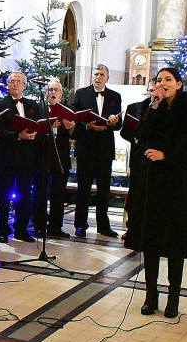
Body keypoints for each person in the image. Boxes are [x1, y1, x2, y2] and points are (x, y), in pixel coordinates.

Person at [124, 67, 187, 318]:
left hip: (179, 183)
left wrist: (166, 155)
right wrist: (153, 107)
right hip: (154, 181)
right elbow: (142, 136)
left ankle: (173, 298)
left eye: (168, 80)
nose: (162, 83)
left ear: (179, 84)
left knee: (174, 242)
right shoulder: (152, 106)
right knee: (152, 241)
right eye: (159, 80)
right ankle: (150, 296)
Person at [70, 64, 123, 238]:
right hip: (86, 148)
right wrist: (87, 125)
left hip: (105, 150)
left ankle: (103, 226)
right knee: (83, 190)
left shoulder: (115, 96)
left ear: (107, 78)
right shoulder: (81, 94)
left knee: (103, 190)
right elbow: (74, 119)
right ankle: (80, 225)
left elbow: (119, 125)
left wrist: (114, 121)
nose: (98, 77)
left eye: (102, 74)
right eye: (95, 74)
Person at [0, 72, 44, 243]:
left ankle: (21, 229)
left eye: (19, 82)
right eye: (12, 81)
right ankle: (2, 230)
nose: (15, 84)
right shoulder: (0, 104)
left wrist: (33, 135)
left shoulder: (32, 105)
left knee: (24, 194)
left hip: (27, 158)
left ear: (25, 85)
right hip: (7, 158)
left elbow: (39, 127)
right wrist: (17, 136)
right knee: (4, 195)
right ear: (7, 85)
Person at [121, 78, 159, 243]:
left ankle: (149, 230)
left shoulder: (166, 110)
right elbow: (124, 132)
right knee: (135, 193)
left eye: (156, 91)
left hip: (156, 160)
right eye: (151, 91)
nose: (153, 94)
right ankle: (132, 229)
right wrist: (135, 138)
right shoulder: (135, 107)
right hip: (138, 157)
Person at [42, 79, 75, 239]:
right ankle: (39, 224)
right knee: (41, 192)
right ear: (45, 93)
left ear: (61, 93)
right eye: (50, 89)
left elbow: (76, 134)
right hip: (42, 155)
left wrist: (71, 129)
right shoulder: (39, 109)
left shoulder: (68, 110)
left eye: (56, 90)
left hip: (61, 157)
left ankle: (55, 226)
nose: (53, 92)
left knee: (58, 193)